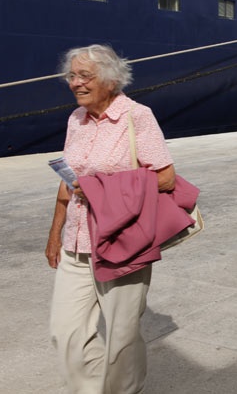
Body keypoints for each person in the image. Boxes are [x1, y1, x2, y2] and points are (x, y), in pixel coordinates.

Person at [46, 44, 176, 393]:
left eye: (84, 76)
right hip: (77, 240)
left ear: (110, 79)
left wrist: (102, 188)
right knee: (65, 332)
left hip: (121, 240)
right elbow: (68, 180)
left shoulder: (136, 116)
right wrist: (55, 233)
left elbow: (166, 178)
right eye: (72, 75)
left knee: (121, 337)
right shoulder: (76, 119)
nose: (75, 83)